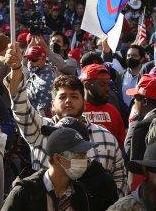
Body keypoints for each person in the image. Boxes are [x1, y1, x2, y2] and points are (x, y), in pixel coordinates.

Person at [7, 59, 126, 191]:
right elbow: (21, 108)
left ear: (84, 103)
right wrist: (17, 69)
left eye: (74, 96)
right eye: (62, 97)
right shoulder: (39, 131)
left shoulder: (106, 137)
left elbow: (119, 176)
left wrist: (109, 208)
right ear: (52, 105)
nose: (68, 101)